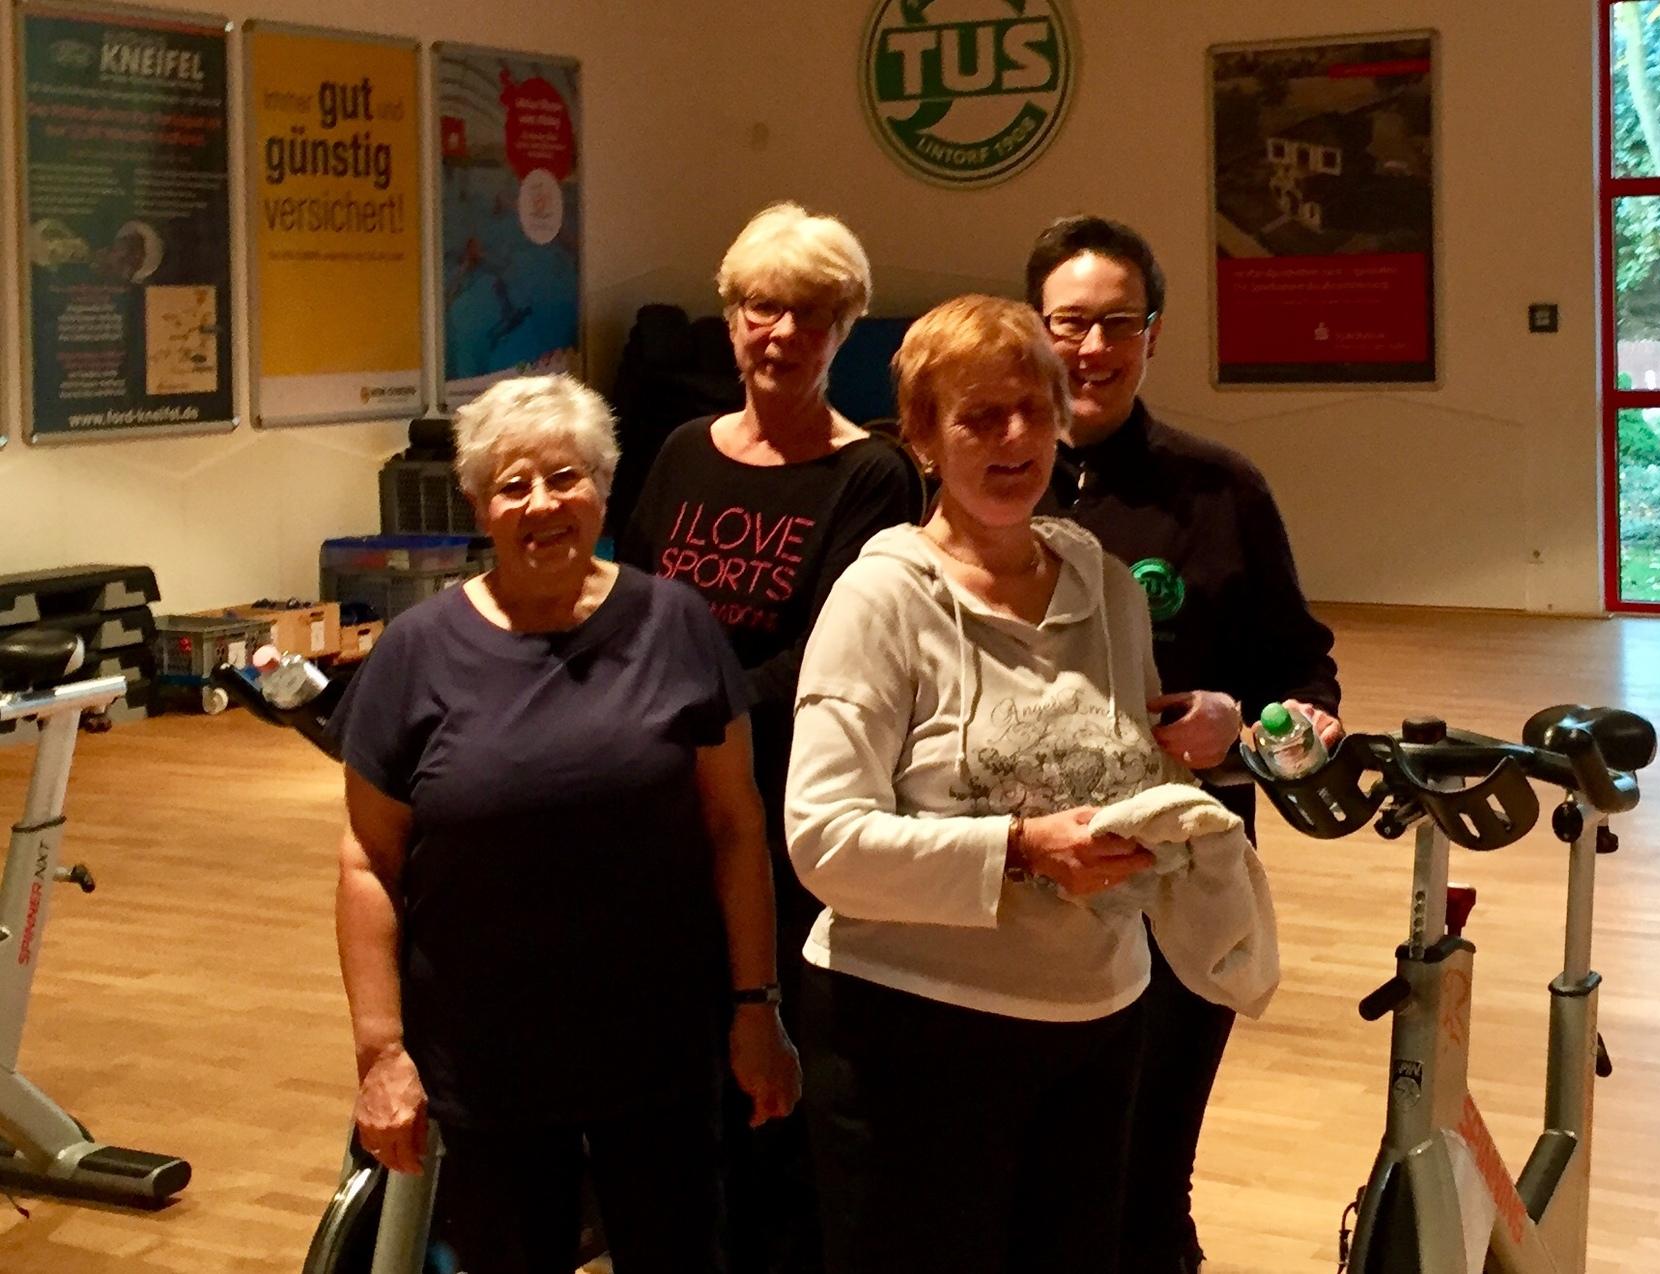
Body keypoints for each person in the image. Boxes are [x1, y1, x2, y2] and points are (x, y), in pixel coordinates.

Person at [333, 374, 799, 1274]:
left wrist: (756, 1009)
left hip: (659, 1050)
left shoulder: (675, 623)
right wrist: (381, 1051)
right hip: (483, 1057)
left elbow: (735, 828)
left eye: (565, 477)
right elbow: (367, 863)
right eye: (513, 485)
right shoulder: (415, 652)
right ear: (478, 503)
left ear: (604, 487)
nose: (541, 504)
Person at [786, 295, 1191, 1274]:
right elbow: (823, 839)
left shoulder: (1107, 583)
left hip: (1100, 1021)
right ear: (922, 439)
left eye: (1033, 409)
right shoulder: (879, 598)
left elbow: (1122, 757)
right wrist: (1017, 850)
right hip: (913, 1037)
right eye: (976, 415)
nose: (1013, 437)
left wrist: (1173, 791)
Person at [1025, 214, 1344, 1274]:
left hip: (1176, 888)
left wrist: (1251, 732)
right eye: (1069, 323)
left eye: (1118, 324)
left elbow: (1304, 673)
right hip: (1021, 889)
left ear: (1152, 335)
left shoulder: (1220, 491)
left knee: (1148, 1169)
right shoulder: (972, 490)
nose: (1092, 349)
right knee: (1035, 1175)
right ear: (1033, 329)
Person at [617, 202, 922, 1274]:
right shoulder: (677, 452)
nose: (780, 332)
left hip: (791, 798)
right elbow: (636, 601)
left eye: (808, 313)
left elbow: (834, 653)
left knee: (778, 1046)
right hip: (669, 789)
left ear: (844, 329)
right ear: (731, 317)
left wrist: (694, 723)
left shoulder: (873, 475)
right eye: (760, 308)